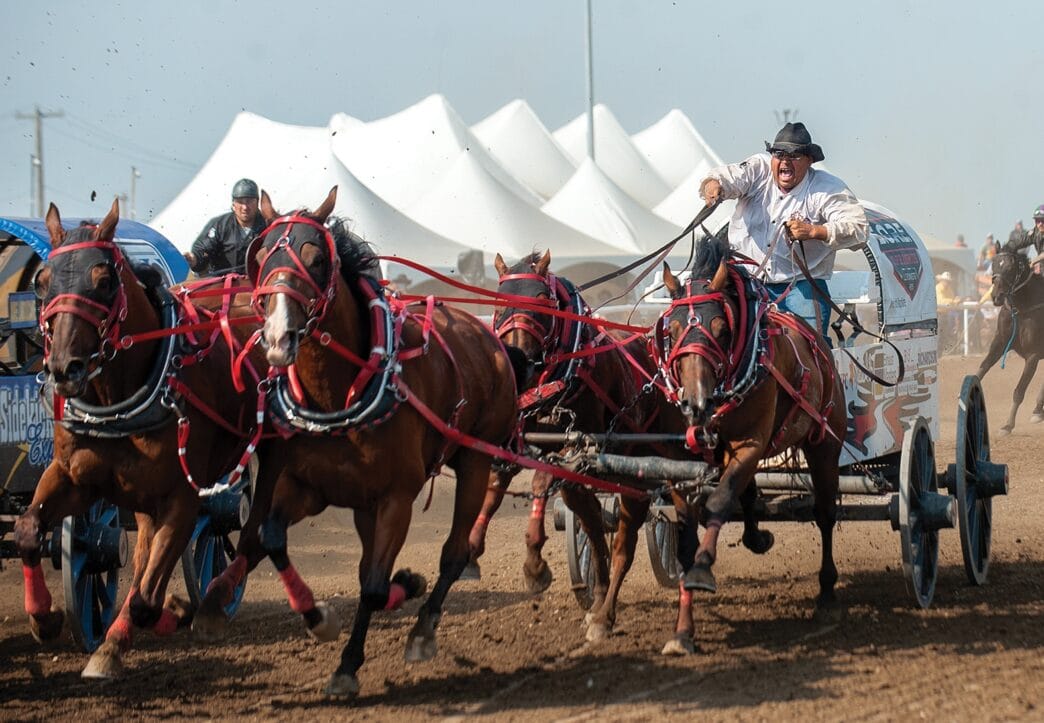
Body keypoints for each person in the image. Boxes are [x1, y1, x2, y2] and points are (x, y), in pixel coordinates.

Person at [699, 122, 868, 339]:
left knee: (810, 343)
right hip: (747, 279)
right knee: (720, 335)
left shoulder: (826, 188)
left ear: (809, 160)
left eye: (795, 155)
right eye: (779, 154)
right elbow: (726, 177)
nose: (785, 161)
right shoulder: (758, 169)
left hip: (801, 284)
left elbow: (858, 228)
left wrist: (815, 231)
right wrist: (714, 185)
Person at [184, 178, 267, 276]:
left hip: (259, 281)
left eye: (249, 201)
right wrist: (195, 258)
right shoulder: (220, 225)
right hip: (223, 282)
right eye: (240, 202)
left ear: (257, 202)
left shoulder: (267, 226)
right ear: (233, 204)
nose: (245, 207)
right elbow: (204, 249)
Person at [1007, 205, 1044, 272]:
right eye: (1038, 221)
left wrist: (1033, 261)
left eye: (1043, 220)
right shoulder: (1035, 232)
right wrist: (1007, 248)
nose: (1040, 224)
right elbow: (1022, 240)